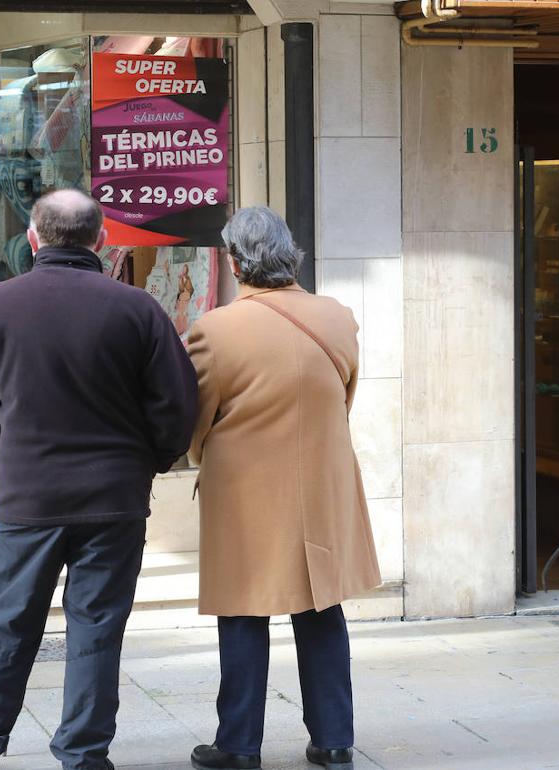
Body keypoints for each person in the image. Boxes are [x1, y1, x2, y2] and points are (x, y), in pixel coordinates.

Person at [0, 189, 198, 770]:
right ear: (101, 239)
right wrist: (148, 462)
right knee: (96, 629)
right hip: (113, 498)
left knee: (6, 626)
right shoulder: (136, 308)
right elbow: (176, 406)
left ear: (32, 239)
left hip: (29, 496)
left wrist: (16, 450)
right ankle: (83, 755)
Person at [186, 207, 381, 770]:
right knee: (322, 609)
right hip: (320, 484)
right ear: (289, 253)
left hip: (245, 494)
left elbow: (197, 422)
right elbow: (343, 397)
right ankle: (335, 741)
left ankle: (239, 745)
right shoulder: (337, 316)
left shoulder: (216, 330)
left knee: (243, 613)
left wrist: (205, 453)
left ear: (233, 260)